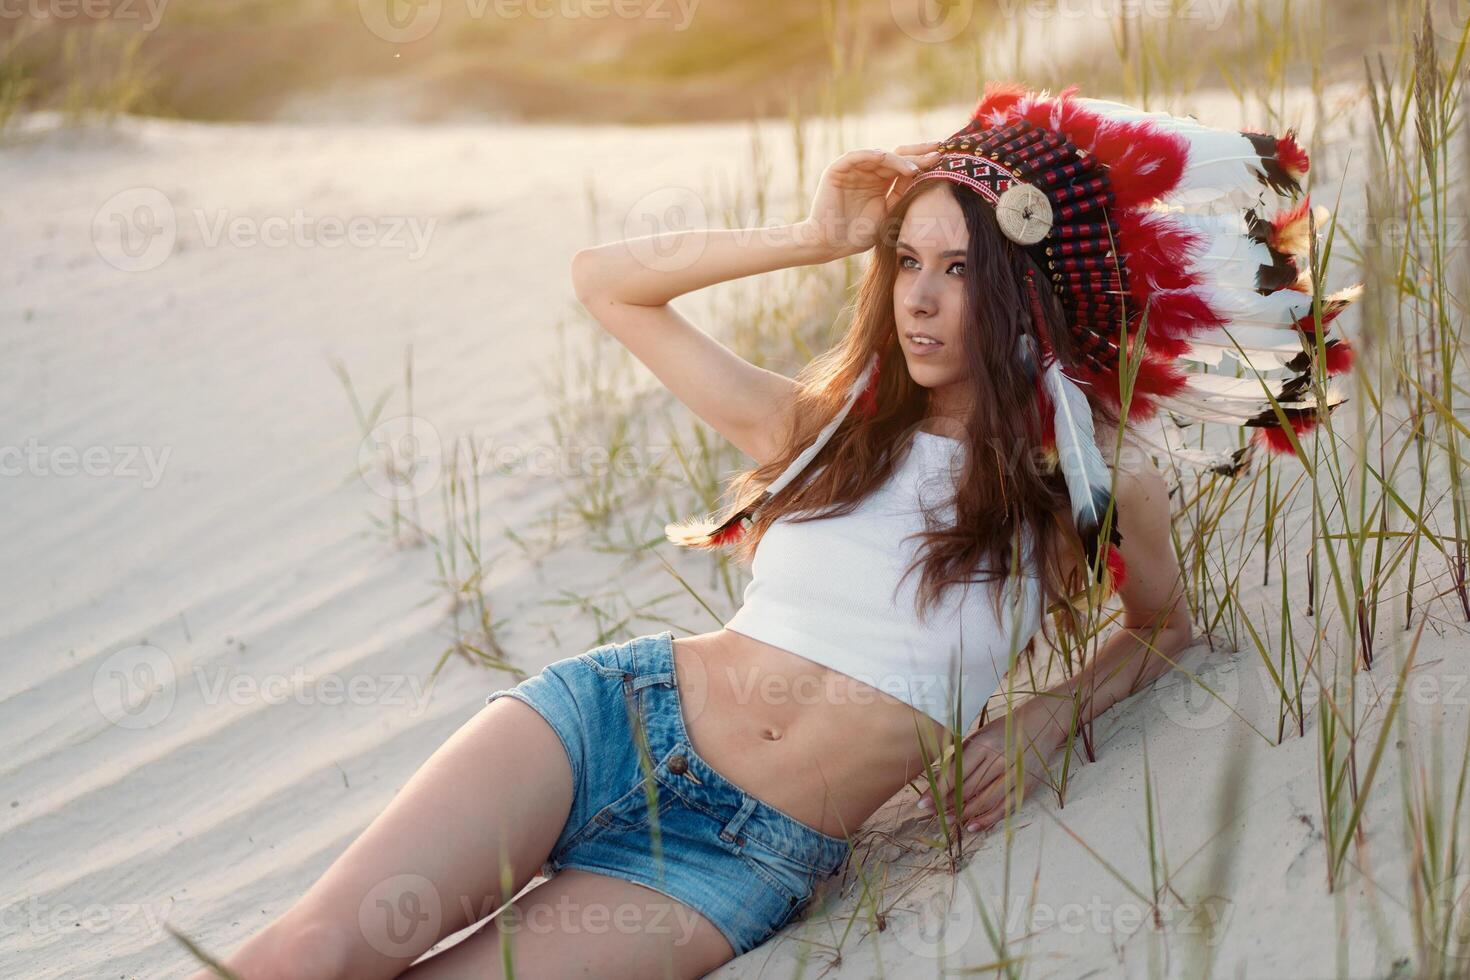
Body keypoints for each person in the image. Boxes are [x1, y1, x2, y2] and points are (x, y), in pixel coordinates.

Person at [192, 81, 1357, 980]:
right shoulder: (816, 430)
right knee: (315, 957)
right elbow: (606, 281)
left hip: (737, 856)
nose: (918, 294)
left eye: (960, 268)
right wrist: (813, 235)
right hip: (613, 719)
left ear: (1024, 291)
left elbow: (1164, 628)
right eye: (906, 260)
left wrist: (1054, 713)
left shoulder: (1082, 483)